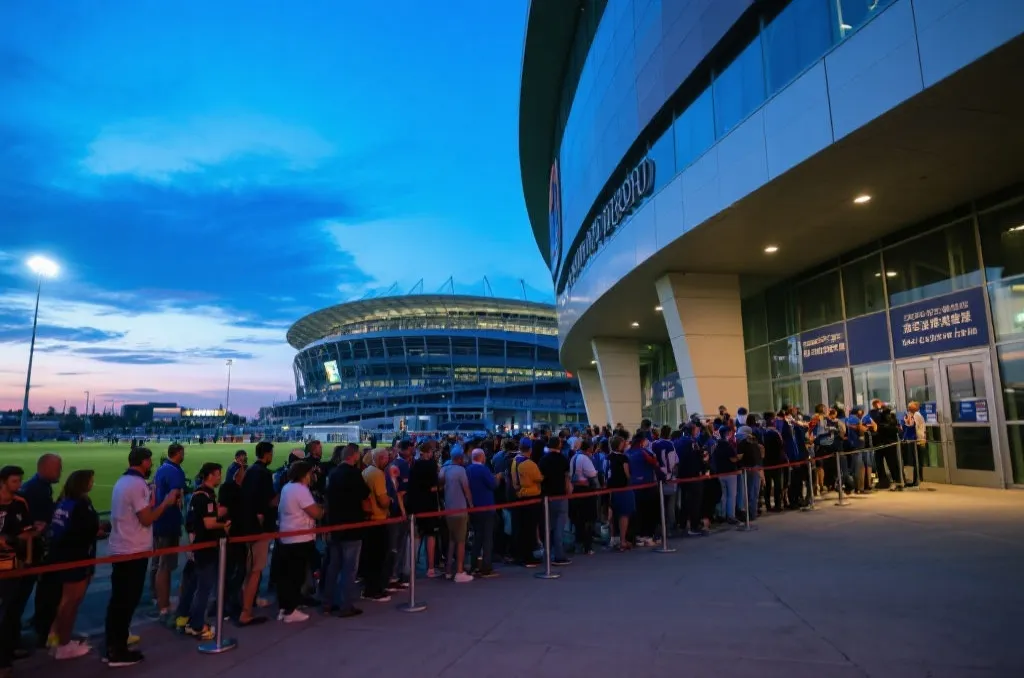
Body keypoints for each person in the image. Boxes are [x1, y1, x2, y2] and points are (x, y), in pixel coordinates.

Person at [105, 448, 180, 667]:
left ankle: (113, 645)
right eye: (149, 461)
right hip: (132, 549)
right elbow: (147, 519)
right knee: (126, 600)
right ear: (144, 461)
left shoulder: (123, 481)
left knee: (119, 600)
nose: (151, 466)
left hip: (121, 546)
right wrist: (165, 503)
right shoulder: (136, 484)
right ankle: (117, 650)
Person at [48, 469, 105, 661]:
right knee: (71, 601)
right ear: (82, 483)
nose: (92, 483)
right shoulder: (80, 505)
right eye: (90, 480)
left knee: (66, 600)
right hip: (76, 557)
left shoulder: (63, 501)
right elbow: (85, 531)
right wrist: (100, 530)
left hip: (64, 556)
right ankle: (63, 645)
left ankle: (56, 636)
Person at [15, 453, 62, 652]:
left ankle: (23, 630)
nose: (60, 471)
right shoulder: (34, 490)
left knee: (24, 594)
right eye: (57, 467)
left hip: (32, 551)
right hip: (28, 553)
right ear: (45, 468)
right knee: (17, 596)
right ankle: (12, 642)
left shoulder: (39, 487)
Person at [182, 463, 229, 637]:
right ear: (209, 475)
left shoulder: (200, 494)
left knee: (198, 586)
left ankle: (192, 620)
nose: (220, 477)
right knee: (204, 588)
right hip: (206, 547)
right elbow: (208, 523)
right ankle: (196, 625)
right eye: (218, 474)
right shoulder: (205, 496)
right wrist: (225, 524)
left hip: (201, 546)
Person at [0, 466, 38, 676]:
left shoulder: (20, 503)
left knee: (11, 612)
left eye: (20, 481)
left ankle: (7, 654)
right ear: (3, 481)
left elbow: (28, 533)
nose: (19, 485)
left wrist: (29, 560)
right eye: (14, 481)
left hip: (14, 567)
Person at [324, 444, 370, 617]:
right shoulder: (354, 474)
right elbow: (365, 494)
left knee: (333, 566)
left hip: (336, 524)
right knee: (349, 568)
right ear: (355, 455)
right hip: (352, 524)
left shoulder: (333, 473)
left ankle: (328, 602)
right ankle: (346, 605)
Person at [235, 441, 276, 626]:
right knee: (256, 571)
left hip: (246, 525)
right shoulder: (265, 474)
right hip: (259, 528)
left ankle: (245, 604)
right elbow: (269, 501)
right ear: (267, 454)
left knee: (248, 569)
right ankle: (246, 612)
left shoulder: (250, 471)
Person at [275, 461, 322, 623]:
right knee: (296, 575)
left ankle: (285, 608)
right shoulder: (300, 490)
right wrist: (323, 509)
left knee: (287, 574)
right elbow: (315, 512)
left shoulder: (287, 487)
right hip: (300, 537)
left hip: (287, 536)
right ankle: (290, 610)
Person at [151, 443, 186, 623]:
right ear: (179, 453)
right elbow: (174, 496)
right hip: (168, 521)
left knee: (158, 564)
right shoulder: (174, 471)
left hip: (158, 521)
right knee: (165, 566)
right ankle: (164, 606)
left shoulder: (162, 468)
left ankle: (159, 600)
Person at [361, 449, 393, 600]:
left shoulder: (366, 471)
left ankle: (370, 587)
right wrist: (391, 501)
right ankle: (375, 590)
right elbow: (383, 499)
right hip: (378, 519)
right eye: (387, 459)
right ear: (381, 459)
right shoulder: (378, 474)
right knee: (378, 557)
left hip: (368, 520)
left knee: (369, 556)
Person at [439, 449, 474, 582]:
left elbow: (440, 485)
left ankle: (448, 569)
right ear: (460, 459)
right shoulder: (461, 471)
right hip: (460, 510)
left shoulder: (445, 469)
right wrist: (471, 504)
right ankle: (459, 571)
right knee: (461, 541)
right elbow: (466, 489)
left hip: (448, 509)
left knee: (452, 540)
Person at [407, 442, 441, 578]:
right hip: (429, 505)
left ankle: (411, 568)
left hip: (416, 504)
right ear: (429, 452)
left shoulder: (414, 466)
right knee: (431, 536)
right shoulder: (431, 466)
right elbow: (434, 487)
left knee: (416, 536)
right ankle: (431, 568)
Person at [537, 436, 571, 565]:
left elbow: (541, 478)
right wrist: (567, 491)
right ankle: (559, 555)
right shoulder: (563, 459)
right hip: (560, 496)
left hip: (547, 497)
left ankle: (547, 553)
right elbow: (566, 478)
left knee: (548, 527)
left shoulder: (544, 460)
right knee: (559, 527)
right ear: (559, 445)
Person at [511, 437, 543, 566]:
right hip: (530, 497)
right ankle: (529, 557)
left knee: (521, 528)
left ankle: (519, 555)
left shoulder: (515, 461)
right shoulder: (530, 464)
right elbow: (539, 478)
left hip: (519, 495)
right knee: (530, 529)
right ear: (530, 449)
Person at [466, 449, 498, 576]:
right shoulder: (484, 470)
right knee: (487, 538)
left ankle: (474, 564)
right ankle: (486, 566)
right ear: (482, 457)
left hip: (474, 507)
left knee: (477, 538)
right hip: (487, 507)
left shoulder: (467, 470)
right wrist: (497, 478)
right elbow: (493, 484)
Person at [569, 438, 599, 555]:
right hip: (585, 491)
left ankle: (578, 543)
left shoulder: (574, 457)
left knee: (578, 519)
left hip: (575, 491)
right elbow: (592, 474)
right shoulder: (585, 459)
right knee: (588, 519)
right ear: (589, 448)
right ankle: (587, 546)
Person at [606, 435, 633, 551]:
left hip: (610, 488)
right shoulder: (623, 458)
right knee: (623, 514)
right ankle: (622, 540)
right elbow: (627, 474)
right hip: (622, 488)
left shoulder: (607, 457)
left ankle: (613, 538)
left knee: (611, 512)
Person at [652, 425, 678, 532]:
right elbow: (673, 461)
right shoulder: (670, 445)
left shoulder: (654, 444)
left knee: (659, 504)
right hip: (668, 477)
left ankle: (659, 526)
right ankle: (671, 526)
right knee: (670, 504)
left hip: (656, 477)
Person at [713, 427, 740, 525]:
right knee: (731, 495)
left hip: (719, 473)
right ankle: (731, 516)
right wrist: (738, 458)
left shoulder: (716, 445)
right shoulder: (728, 446)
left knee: (722, 495)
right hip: (730, 473)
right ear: (727, 433)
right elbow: (733, 458)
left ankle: (721, 515)